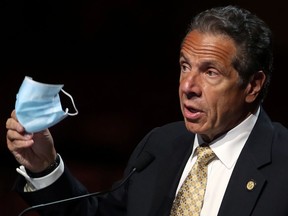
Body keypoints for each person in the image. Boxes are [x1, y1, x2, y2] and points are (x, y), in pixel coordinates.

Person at [6, 4, 288, 216]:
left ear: (252, 85)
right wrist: (45, 167)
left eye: (210, 72)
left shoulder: (283, 163)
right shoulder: (160, 145)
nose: (188, 86)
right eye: (185, 66)